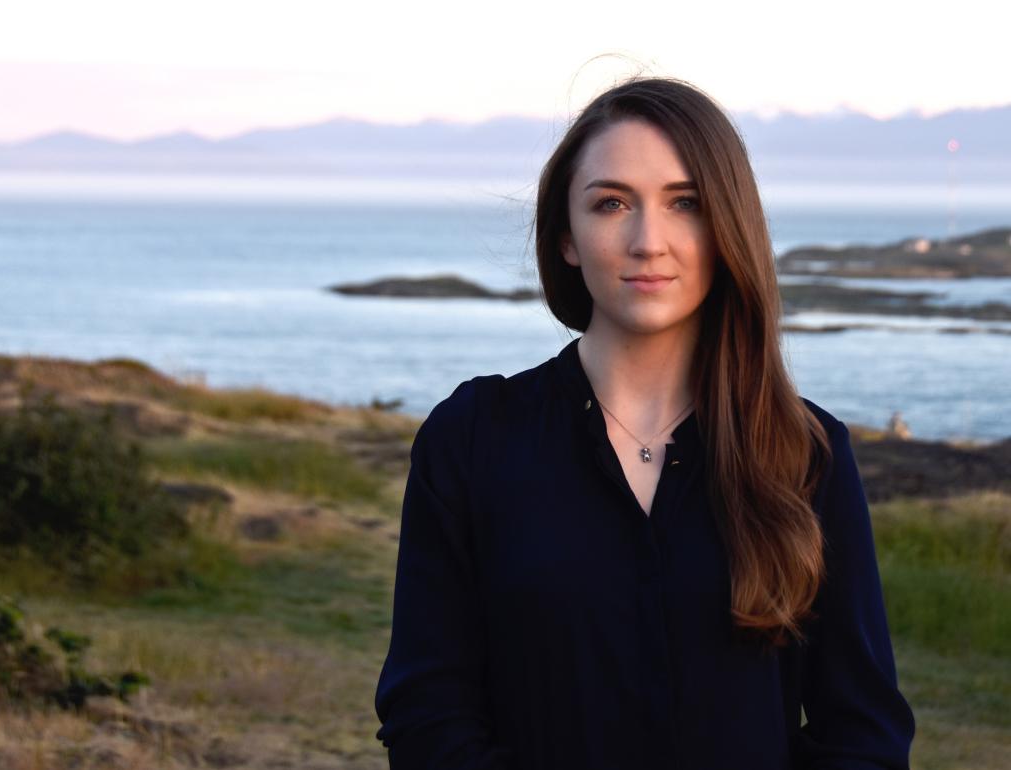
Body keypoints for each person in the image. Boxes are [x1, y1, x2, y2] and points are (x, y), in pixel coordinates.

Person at [374, 76, 915, 769]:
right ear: (567, 237)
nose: (648, 241)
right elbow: (428, 717)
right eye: (611, 203)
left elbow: (864, 735)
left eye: (684, 203)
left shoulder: (807, 454)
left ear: (726, 228)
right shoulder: (474, 438)